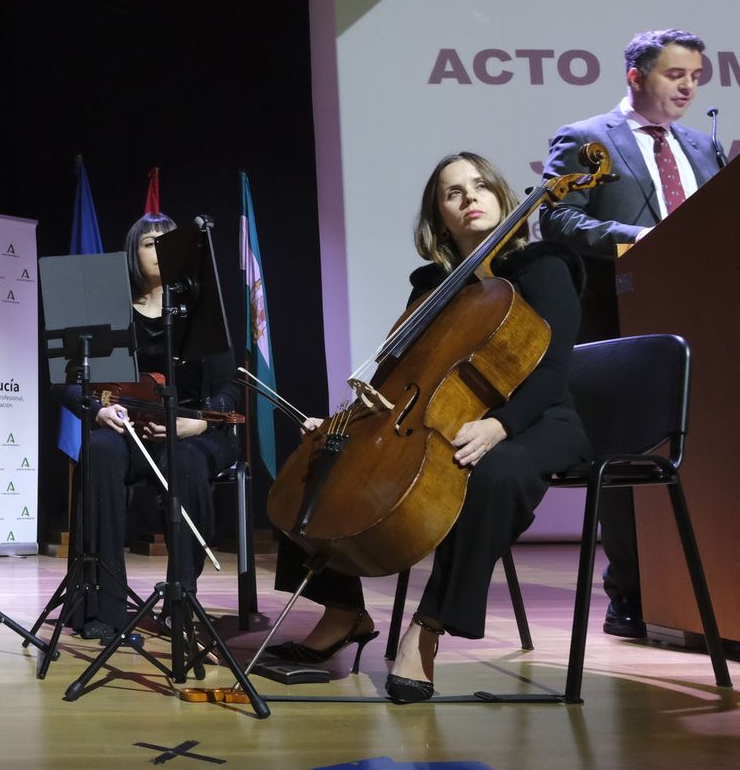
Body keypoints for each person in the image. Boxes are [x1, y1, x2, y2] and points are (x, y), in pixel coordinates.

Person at [271, 152, 592, 703]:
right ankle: (342, 610)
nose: (470, 198)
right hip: (442, 414)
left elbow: (554, 370)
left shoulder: (543, 266)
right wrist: (348, 419)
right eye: (453, 192)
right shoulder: (432, 286)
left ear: (501, 195)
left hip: (538, 415)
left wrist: (499, 427)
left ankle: (428, 628)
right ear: (438, 215)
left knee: (494, 473)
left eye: (480, 186)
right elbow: (402, 376)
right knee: (324, 458)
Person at [540, 28, 721, 639]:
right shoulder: (588, 139)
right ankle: (631, 595)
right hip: (620, 320)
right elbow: (558, 219)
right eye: (676, 75)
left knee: (705, 459)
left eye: (696, 76)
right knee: (624, 461)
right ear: (636, 76)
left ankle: (707, 593)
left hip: (702, 322)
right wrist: (641, 242)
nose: (689, 87)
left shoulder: (702, 145)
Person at [55, 212, 243, 645]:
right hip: (129, 429)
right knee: (99, 450)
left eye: (167, 242)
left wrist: (200, 419)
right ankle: (102, 601)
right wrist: (95, 411)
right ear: (132, 253)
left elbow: (229, 385)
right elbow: (65, 380)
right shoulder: (108, 308)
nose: (157, 249)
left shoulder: (201, 308)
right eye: (147, 243)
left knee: (189, 463)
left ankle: (182, 598)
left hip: (197, 430)